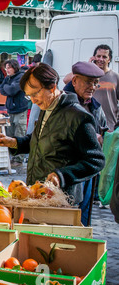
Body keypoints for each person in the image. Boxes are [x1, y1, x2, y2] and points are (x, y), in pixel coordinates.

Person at [0, 63, 105, 216]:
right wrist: (15, 142)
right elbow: (39, 140)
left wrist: (62, 175)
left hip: (61, 203)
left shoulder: (78, 117)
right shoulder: (46, 107)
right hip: (36, 196)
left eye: (35, 94)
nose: (32, 100)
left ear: (52, 87)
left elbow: (96, 160)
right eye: (29, 96)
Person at [63, 61, 108, 226]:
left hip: (88, 171)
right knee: (66, 218)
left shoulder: (95, 107)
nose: (93, 87)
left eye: (96, 83)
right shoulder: (61, 105)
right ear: (74, 81)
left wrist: (102, 138)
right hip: (67, 172)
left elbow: (103, 134)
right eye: (88, 82)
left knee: (83, 216)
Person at [0, 59, 30, 166]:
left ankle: (18, 159)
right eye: (6, 68)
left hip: (20, 109)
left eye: (9, 68)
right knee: (10, 134)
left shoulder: (21, 77)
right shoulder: (8, 78)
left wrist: (7, 88)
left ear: (14, 68)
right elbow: (1, 89)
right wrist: (7, 88)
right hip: (11, 110)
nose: (7, 70)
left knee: (19, 133)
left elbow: (12, 90)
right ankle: (12, 157)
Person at [91, 44, 119, 132]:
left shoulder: (115, 77)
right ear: (94, 57)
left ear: (109, 59)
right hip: (91, 124)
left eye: (104, 57)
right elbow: (66, 80)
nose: (101, 59)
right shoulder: (88, 76)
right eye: (98, 56)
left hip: (110, 125)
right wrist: (88, 64)